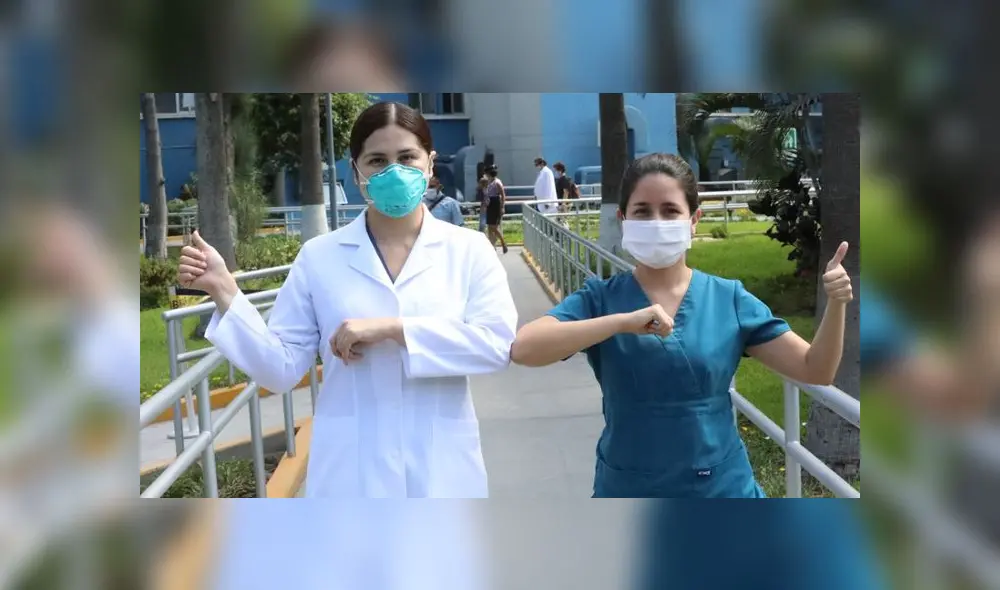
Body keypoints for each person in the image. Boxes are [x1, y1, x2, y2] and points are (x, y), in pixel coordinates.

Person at [177, 101, 519, 498]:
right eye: (377, 160)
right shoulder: (320, 257)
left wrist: (394, 330)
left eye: (407, 157)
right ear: (357, 173)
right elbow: (281, 369)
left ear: (429, 164)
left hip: (441, 470)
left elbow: (496, 346)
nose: (393, 171)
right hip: (352, 475)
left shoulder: (470, 250)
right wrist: (224, 291)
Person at [509, 153, 854, 498]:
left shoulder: (728, 299)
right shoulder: (600, 300)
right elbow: (525, 348)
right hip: (630, 487)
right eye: (642, 211)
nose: (656, 221)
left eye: (670, 210)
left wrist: (836, 304)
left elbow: (816, 369)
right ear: (623, 219)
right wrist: (620, 323)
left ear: (694, 220)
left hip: (722, 491)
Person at [483, 165, 508, 254]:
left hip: (496, 204)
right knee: (489, 227)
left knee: (494, 227)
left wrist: (502, 207)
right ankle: (492, 246)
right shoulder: (489, 182)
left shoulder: (497, 182)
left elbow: (503, 195)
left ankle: (503, 242)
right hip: (490, 204)